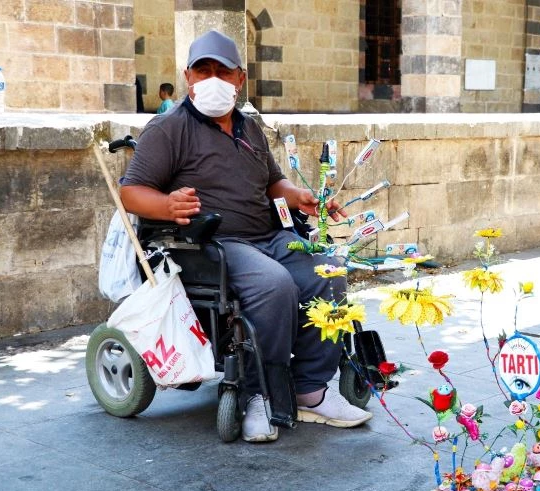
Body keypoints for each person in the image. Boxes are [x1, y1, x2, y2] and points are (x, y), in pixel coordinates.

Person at [120, 30, 372, 442]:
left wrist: (299, 196)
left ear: (240, 78)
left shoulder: (249, 127)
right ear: (188, 76)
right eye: (204, 70)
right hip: (215, 245)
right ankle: (257, 394)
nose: (213, 79)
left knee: (330, 271)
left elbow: (273, 181)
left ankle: (310, 388)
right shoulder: (168, 128)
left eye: (224, 71)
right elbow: (132, 191)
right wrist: (167, 206)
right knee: (274, 286)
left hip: (270, 235)